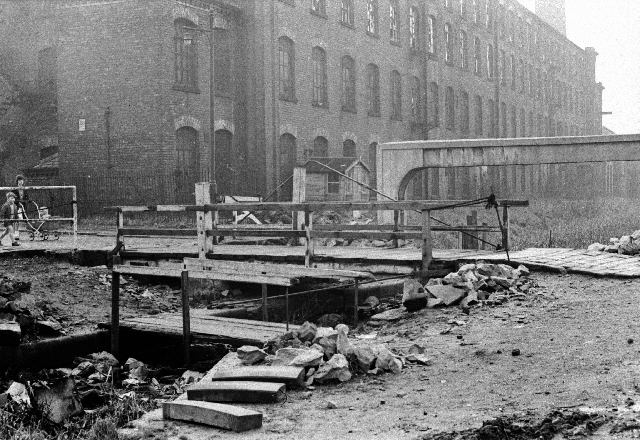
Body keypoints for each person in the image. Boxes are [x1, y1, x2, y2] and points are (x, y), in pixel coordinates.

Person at [12, 175, 28, 241]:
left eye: (21, 180)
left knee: (25, 219)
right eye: (19, 180)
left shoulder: (25, 189)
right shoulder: (14, 190)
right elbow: (12, 198)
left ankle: (27, 232)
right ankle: (16, 233)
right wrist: (17, 202)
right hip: (17, 206)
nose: (20, 182)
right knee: (16, 220)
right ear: (17, 181)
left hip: (23, 206)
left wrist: (27, 201)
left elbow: (27, 197)